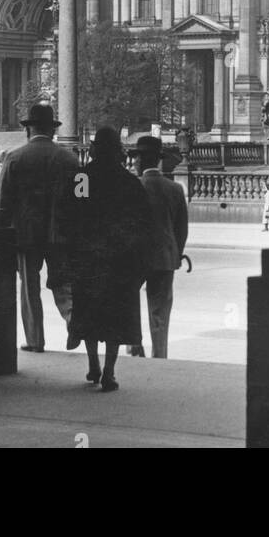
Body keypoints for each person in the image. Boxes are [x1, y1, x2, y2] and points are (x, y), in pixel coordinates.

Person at [53, 126, 153, 392]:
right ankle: (109, 371)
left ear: (95, 148)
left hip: (88, 258)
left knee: (88, 312)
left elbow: (71, 215)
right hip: (119, 261)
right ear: (118, 151)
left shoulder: (83, 179)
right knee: (116, 317)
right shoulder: (129, 182)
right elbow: (142, 225)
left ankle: (93, 365)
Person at [0, 102, 79, 353]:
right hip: (59, 233)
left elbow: (1, 202)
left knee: (29, 289)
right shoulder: (70, 160)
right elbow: (81, 199)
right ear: (52, 130)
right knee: (63, 283)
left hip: (25, 235)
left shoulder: (14, 158)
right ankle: (74, 321)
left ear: (29, 130)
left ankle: (34, 340)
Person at [135, 135, 188, 359]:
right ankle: (160, 354)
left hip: (136, 257)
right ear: (158, 160)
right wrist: (177, 252)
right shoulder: (175, 189)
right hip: (166, 256)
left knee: (129, 302)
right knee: (160, 311)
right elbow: (182, 229)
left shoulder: (133, 186)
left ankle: (135, 347)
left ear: (140, 160)